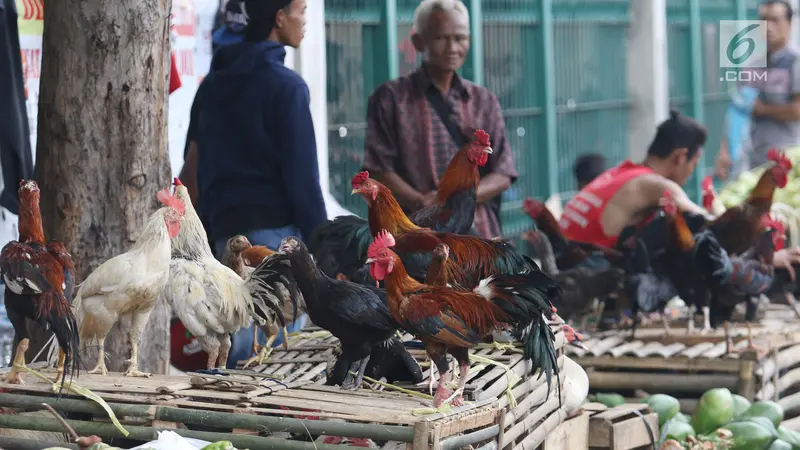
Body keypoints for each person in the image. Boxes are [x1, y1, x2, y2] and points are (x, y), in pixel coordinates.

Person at [191, 0, 321, 368]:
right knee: (274, 356)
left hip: (223, 240)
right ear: (279, 19)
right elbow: (303, 181)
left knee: (231, 347)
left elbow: (195, 166)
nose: (305, 20)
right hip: (275, 242)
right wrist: (325, 246)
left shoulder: (211, 87)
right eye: (301, 11)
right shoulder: (289, 88)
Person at [362, 0, 518, 239]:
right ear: (418, 41)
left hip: (479, 237)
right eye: (441, 38)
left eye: (460, 38)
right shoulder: (391, 99)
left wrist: (455, 199)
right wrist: (422, 201)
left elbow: (504, 172)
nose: (452, 47)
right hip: (415, 235)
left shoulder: (484, 101)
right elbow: (378, 169)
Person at [716, 0, 800, 179]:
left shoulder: (795, 63)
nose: (768, 27)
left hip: (788, 162)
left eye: (775, 20)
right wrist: (724, 151)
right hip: (753, 161)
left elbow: (798, 110)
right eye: (764, 20)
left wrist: (763, 109)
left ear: (789, 24)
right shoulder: (753, 66)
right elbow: (736, 110)